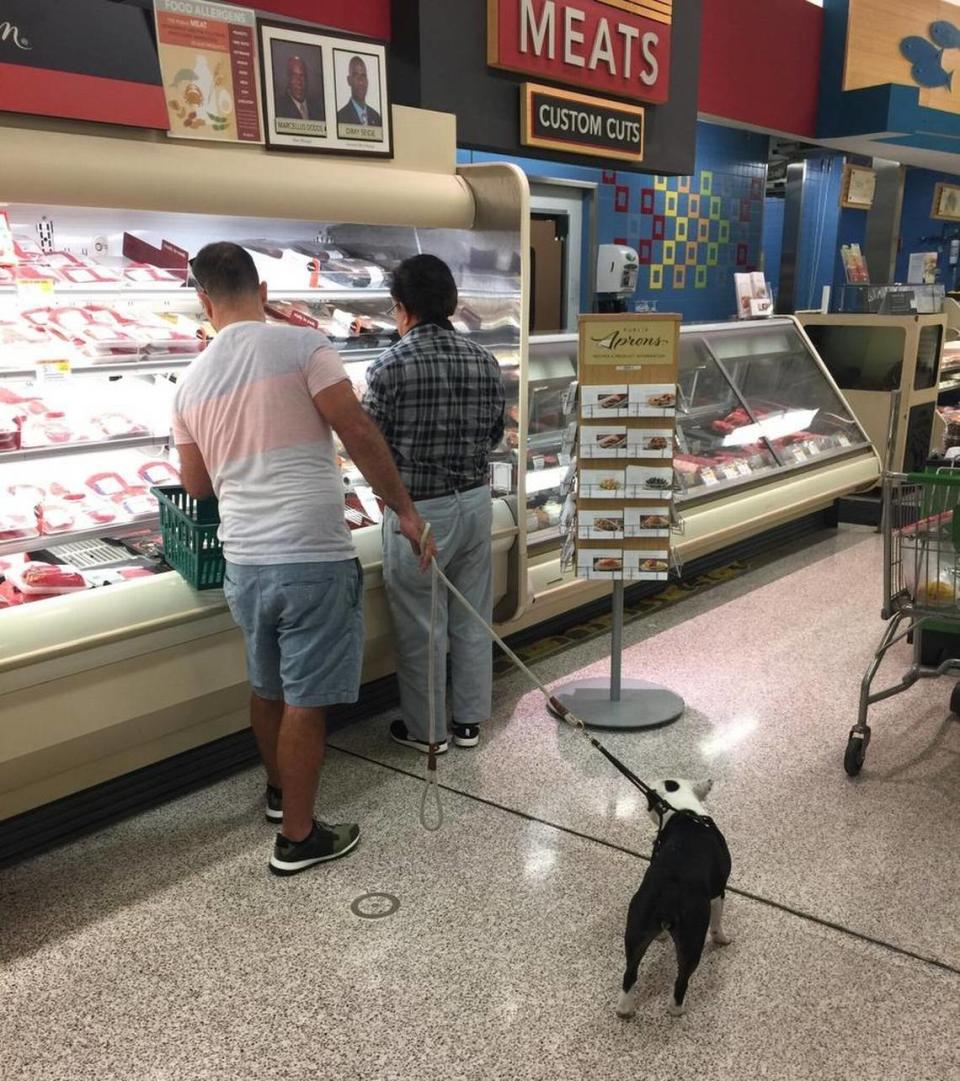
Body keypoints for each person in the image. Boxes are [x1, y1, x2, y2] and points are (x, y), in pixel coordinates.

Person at [172, 242, 434, 877]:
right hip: (311, 553)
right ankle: (298, 836)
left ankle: (278, 794)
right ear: (262, 291)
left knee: (267, 687)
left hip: (246, 560)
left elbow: (197, 487)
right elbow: (359, 431)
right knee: (305, 700)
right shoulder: (302, 347)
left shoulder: (190, 382)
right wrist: (402, 509)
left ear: (204, 302)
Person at [363, 255, 505, 755]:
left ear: (401, 308)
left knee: (423, 626)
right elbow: (493, 435)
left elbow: (369, 446)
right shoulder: (484, 360)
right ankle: (469, 722)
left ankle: (428, 732)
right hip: (475, 501)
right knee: (471, 615)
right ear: (450, 303)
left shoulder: (387, 367)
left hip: (418, 514)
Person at [336, 56, 383, 128]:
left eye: (363, 76)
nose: (361, 82)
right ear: (349, 80)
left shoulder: (377, 118)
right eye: (356, 76)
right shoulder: (340, 118)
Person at [275, 55, 324, 122]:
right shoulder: (279, 108)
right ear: (288, 79)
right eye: (294, 76)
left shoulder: (318, 108)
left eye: (302, 75)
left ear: (306, 79)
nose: (299, 82)